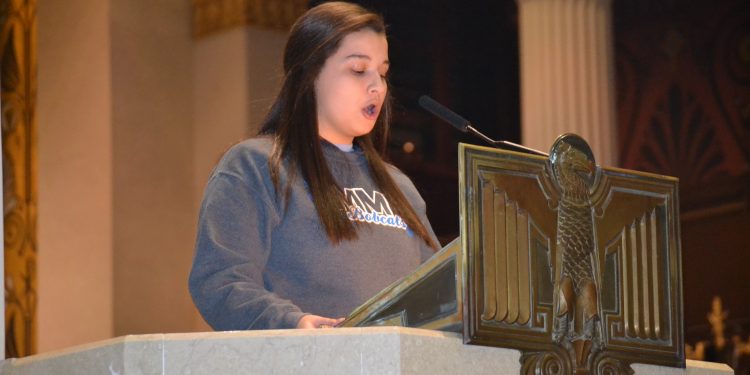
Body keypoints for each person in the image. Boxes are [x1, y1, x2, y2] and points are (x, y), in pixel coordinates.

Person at [188, 1, 439, 331]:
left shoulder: (400, 188)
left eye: (383, 73)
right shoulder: (255, 167)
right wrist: (294, 324)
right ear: (310, 73)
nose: (377, 86)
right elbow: (219, 279)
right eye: (359, 69)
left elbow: (441, 291)